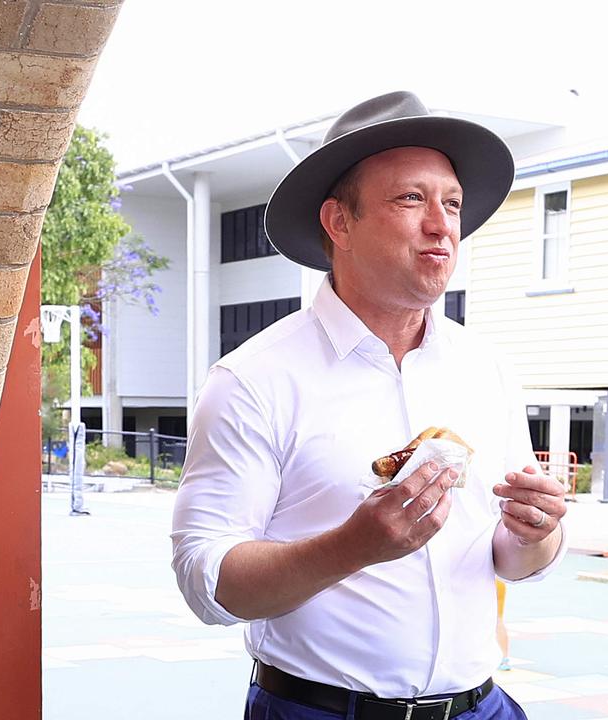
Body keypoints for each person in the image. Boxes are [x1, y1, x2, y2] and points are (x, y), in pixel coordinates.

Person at [170, 91, 568, 720]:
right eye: (411, 199)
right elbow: (206, 580)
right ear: (339, 222)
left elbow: (511, 559)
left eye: (453, 203)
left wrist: (537, 532)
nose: (442, 224)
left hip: (480, 707)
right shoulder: (253, 379)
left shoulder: (486, 369)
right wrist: (350, 546)